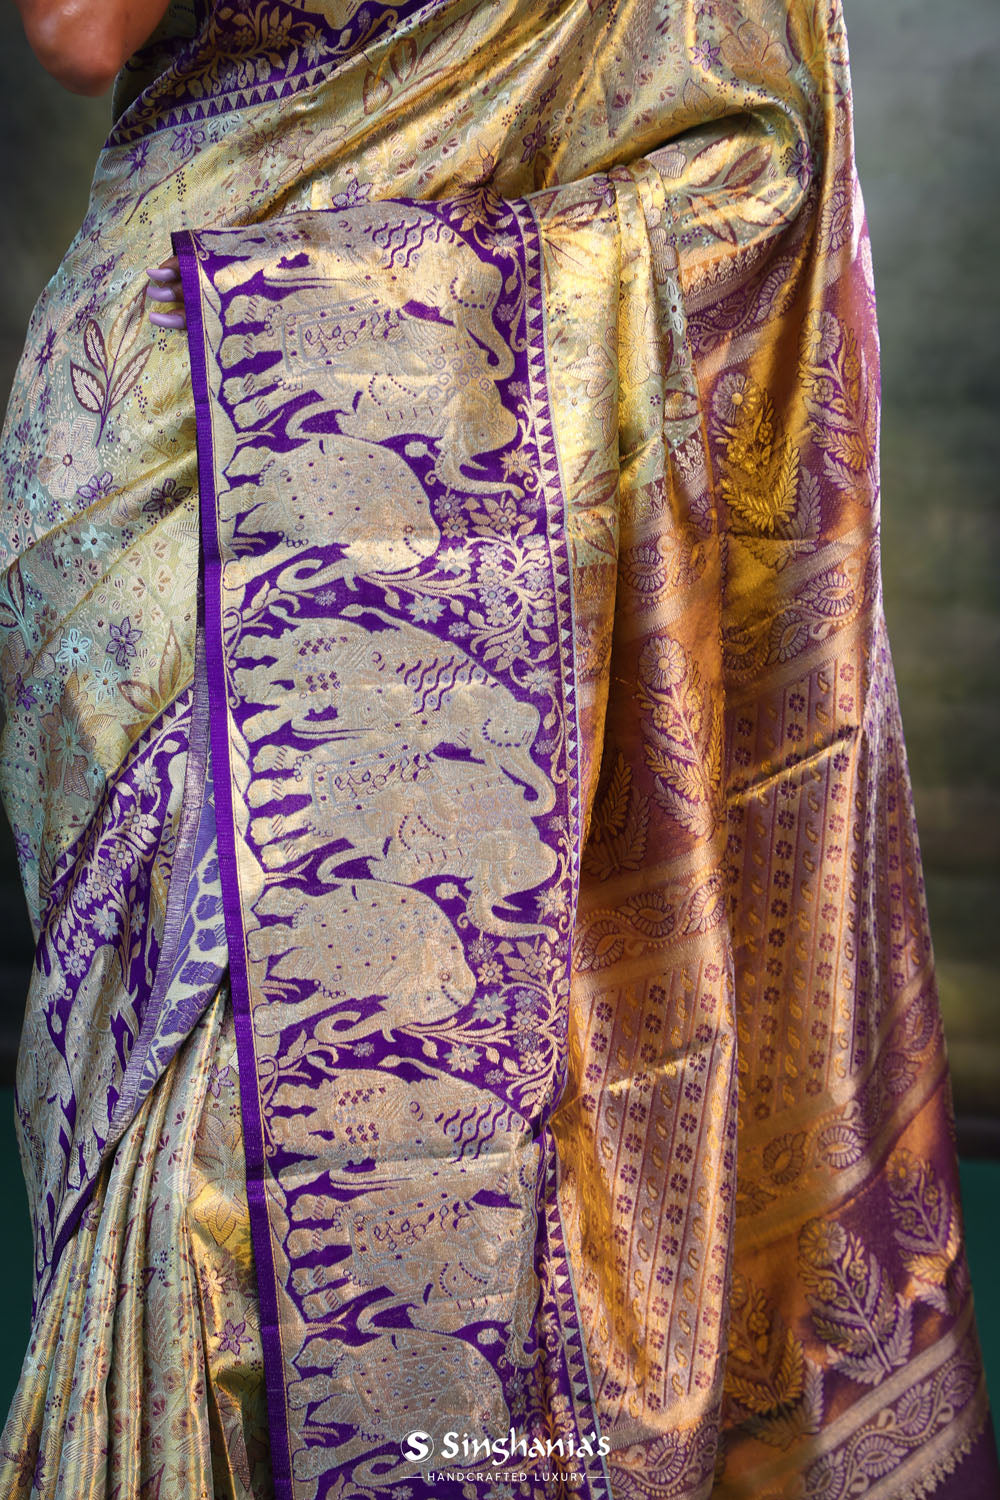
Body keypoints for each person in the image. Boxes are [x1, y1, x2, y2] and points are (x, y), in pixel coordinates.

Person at [1, 1, 997, 1497]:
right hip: (220, 430)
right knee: (220, 1182)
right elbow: (82, 27)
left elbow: (750, 101)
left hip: (584, 420)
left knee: (590, 1117)